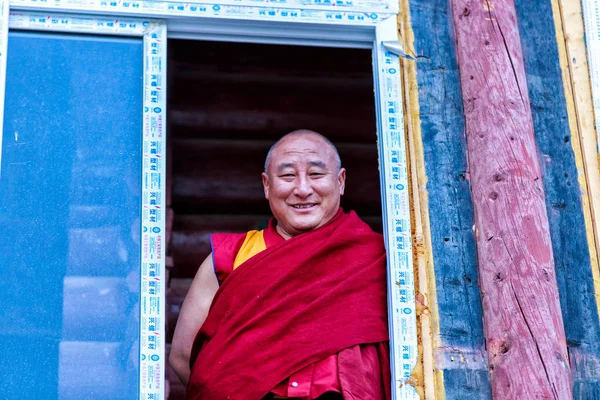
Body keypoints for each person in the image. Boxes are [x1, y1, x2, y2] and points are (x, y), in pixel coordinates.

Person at [169, 130, 390, 400]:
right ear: (266, 185)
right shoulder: (230, 257)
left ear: (340, 181)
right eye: (287, 176)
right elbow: (182, 357)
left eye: (317, 175)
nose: (303, 189)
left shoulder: (376, 257)